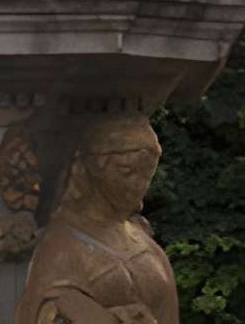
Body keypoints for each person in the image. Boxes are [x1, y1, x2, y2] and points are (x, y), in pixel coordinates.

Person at [15, 114, 178, 324]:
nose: (140, 185)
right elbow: (39, 311)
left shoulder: (146, 245)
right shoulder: (61, 246)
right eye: (127, 172)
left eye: (147, 175)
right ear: (93, 169)